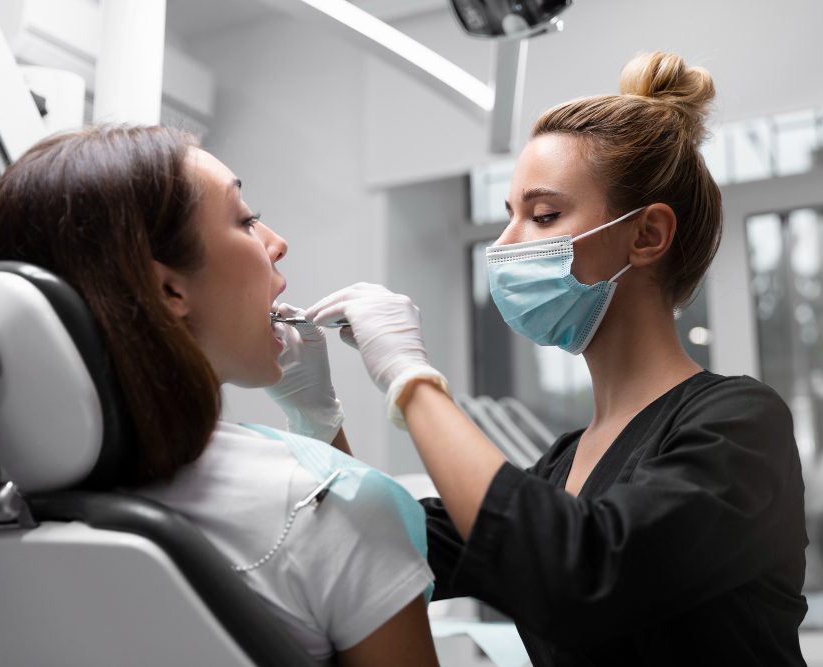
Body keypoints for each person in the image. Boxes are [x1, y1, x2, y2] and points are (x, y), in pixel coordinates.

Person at [304, 52, 809, 665]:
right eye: (509, 215)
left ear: (647, 234)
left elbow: (581, 574)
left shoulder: (738, 423)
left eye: (543, 216)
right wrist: (314, 413)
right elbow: (384, 549)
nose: (505, 244)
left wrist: (410, 379)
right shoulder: (563, 464)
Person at [0, 125, 439, 667]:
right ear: (169, 290)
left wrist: (316, 424)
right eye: (245, 219)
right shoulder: (333, 509)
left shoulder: (14, 512)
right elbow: (336, 533)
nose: (276, 243)